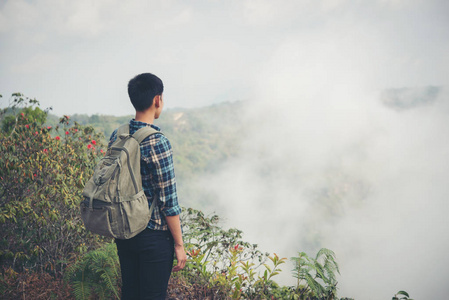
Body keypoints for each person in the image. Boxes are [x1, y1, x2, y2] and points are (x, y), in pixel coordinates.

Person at [109, 73, 186, 299]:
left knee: (131, 293)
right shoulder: (157, 142)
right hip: (154, 236)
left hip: (124, 231)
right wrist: (179, 245)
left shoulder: (118, 134)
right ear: (157, 99)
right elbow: (168, 201)